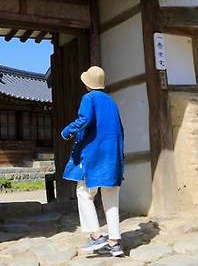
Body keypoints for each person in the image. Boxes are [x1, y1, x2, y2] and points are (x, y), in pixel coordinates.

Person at [60, 65, 125, 257]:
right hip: (112, 157)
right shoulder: (111, 102)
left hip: (94, 156)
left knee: (84, 193)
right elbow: (120, 129)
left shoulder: (89, 98)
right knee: (111, 198)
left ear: (87, 84)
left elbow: (85, 120)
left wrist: (67, 131)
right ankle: (115, 242)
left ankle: (96, 236)